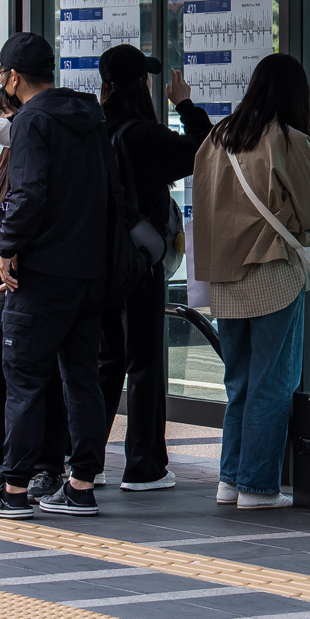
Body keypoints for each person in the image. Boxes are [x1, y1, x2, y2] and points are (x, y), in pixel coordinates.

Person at [0, 32, 113, 520]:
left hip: (42, 274)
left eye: (2, 75)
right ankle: (81, 486)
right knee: (81, 379)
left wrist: (7, 248)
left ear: (13, 78)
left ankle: (14, 491)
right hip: (89, 272)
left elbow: (29, 193)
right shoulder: (90, 117)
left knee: (26, 380)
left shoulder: (31, 120)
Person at [191, 53, 310, 510]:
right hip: (272, 274)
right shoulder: (284, 139)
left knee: (240, 383)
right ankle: (257, 486)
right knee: (273, 382)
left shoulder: (216, 138)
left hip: (225, 280)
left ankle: (229, 480)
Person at [100, 43, 211, 493]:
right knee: (144, 364)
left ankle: (82, 461)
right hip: (140, 265)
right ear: (142, 85)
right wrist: (184, 104)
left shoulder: (97, 130)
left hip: (100, 265)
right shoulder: (143, 135)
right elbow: (204, 152)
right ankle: (143, 464)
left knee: (105, 363)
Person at [0, 86, 68, 502]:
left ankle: (45, 466)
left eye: (9, 112)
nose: (3, 122)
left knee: (43, 385)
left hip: (35, 294)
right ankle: (5, 462)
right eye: (0, 114)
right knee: (0, 385)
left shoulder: (45, 168)